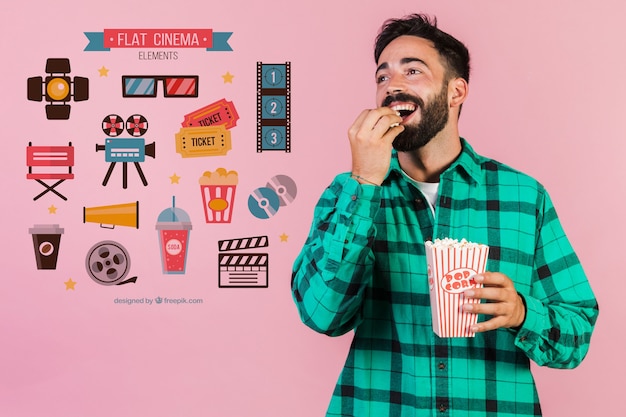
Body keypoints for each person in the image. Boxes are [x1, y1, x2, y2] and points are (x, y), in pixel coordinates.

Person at [291, 13, 598, 417]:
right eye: (382, 77)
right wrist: (364, 182)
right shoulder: (348, 193)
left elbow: (576, 334)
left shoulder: (524, 197)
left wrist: (522, 313)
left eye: (412, 71)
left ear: (456, 92)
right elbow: (321, 314)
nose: (392, 86)